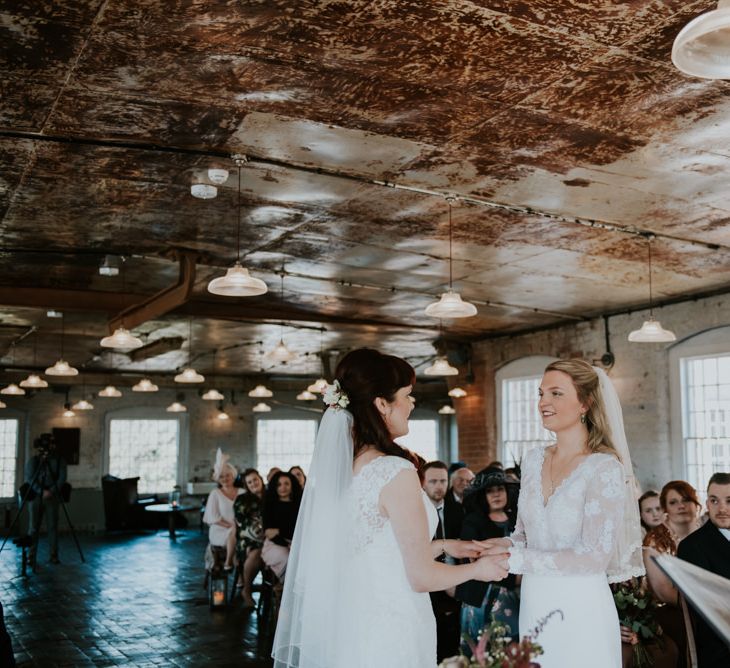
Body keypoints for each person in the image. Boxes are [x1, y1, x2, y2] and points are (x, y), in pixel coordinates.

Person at [272, 348, 509, 668]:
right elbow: (421, 577)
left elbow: (374, 549)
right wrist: (480, 569)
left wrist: (443, 545)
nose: (412, 404)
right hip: (391, 625)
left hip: (353, 624)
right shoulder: (394, 471)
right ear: (382, 404)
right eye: (407, 396)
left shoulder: (347, 470)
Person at [483, 359, 644, 668]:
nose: (543, 402)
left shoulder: (604, 467)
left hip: (581, 606)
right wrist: (492, 548)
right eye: (541, 393)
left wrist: (515, 560)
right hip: (534, 603)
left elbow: (595, 556)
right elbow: (522, 536)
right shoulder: (532, 460)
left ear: (585, 403)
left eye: (556, 393)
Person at [456, 468, 520, 652]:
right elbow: (472, 560)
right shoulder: (473, 521)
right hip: (482, 594)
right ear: (482, 496)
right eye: (490, 491)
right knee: (484, 652)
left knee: (512, 651)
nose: (496, 494)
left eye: (500, 489)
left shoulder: (516, 519)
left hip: (517, 595)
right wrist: (514, 578)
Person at [676, 472, 730, 668]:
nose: (722, 508)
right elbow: (706, 608)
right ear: (707, 504)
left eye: (729, 501)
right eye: (714, 501)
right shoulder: (692, 546)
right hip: (720, 644)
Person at [421, 460, 461, 662]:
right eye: (433, 481)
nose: (439, 486)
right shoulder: (416, 512)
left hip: (457, 581)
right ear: (423, 483)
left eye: (443, 481)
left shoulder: (457, 510)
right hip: (428, 585)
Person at [25, 433, 68, 567]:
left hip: (52, 497)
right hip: (36, 497)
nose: (48, 447)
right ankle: (30, 557)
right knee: (33, 528)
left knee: (53, 528)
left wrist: (51, 491)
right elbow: (30, 478)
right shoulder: (34, 460)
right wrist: (41, 491)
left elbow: (62, 478)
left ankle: (54, 556)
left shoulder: (60, 460)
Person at [203, 449, 244, 570]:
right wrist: (231, 526)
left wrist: (238, 526)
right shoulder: (215, 494)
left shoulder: (242, 492)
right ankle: (228, 562)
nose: (225, 478)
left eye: (227, 475)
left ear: (233, 476)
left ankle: (240, 579)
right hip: (219, 530)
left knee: (237, 537)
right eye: (221, 476)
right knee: (233, 532)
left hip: (240, 529)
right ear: (218, 479)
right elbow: (213, 518)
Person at [261, 471, 302, 580]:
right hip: (274, 544)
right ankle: (284, 586)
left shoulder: (299, 505)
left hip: (296, 542)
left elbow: (300, 529)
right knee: (287, 557)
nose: (283, 487)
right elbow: (269, 533)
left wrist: (279, 530)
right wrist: (286, 543)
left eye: (286, 484)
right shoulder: (269, 505)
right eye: (279, 484)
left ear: (292, 485)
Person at [234, 468, 265, 608]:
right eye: (250, 482)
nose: (253, 484)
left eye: (255, 480)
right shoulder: (242, 499)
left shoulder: (270, 495)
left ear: (261, 479)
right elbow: (241, 522)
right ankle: (246, 589)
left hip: (269, 536)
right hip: (248, 537)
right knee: (254, 553)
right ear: (246, 485)